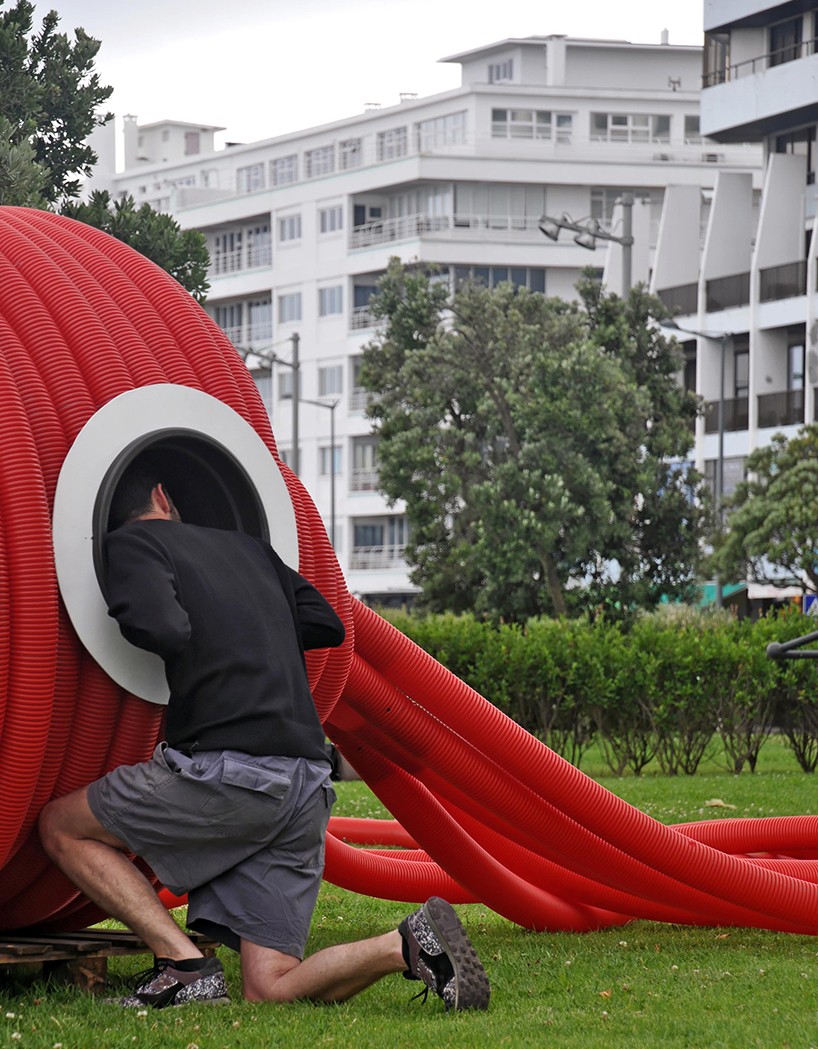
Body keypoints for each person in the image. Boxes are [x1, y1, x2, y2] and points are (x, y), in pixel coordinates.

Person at [38, 456, 490, 1012]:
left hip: (230, 774)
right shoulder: (250, 549)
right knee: (269, 985)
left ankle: (184, 967)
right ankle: (407, 945)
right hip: (306, 785)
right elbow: (325, 621)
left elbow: (163, 627)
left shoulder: (133, 544)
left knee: (61, 826)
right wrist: (243, 619)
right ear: (163, 495)